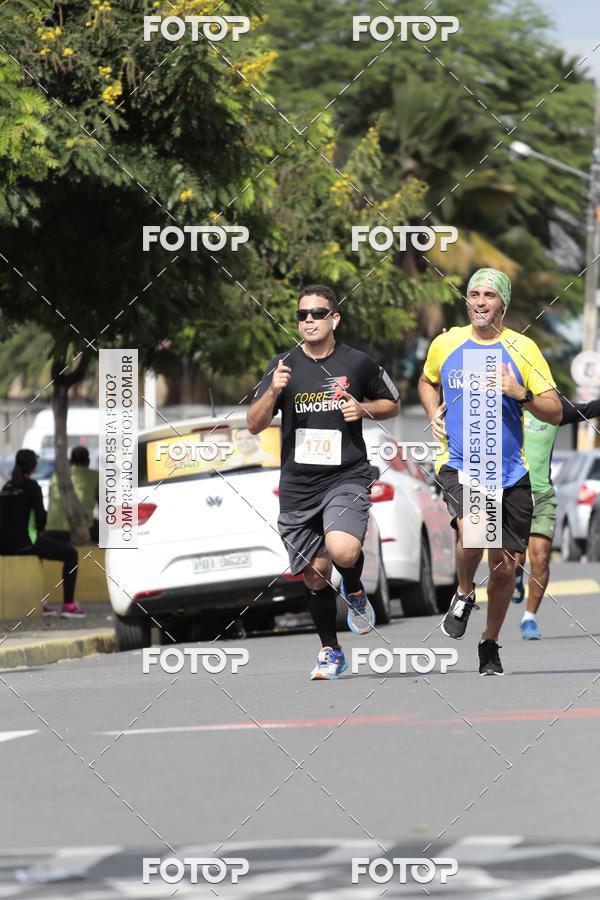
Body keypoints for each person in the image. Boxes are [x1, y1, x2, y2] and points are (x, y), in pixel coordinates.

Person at [247, 284, 399, 680]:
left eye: (318, 313)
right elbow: (253, 424)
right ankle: (330, 651)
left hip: (345, 475)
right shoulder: (283, 365)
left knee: (343, 550)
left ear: (335, 318)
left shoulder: (358, 362)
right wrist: (274, 391)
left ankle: (353, 586)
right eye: (303, 315)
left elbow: (393, 403)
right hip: (298, 484)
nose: (309, 321)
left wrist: (362, 408)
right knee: (314, 572)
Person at [418, 267, 561, 675]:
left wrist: (521, 394)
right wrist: (433, 412)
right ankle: (464, 593)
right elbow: (427, 381)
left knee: (505, 568)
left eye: (489, 296)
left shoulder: (524, 349)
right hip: (461, 463)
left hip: (511, 471)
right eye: (474, 294)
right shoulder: (446, 343)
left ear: (504, 303)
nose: (479, 302)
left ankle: (489, 642)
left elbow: (552, 411)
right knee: (473, 528)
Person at [512, 396, 600, 639]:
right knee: (515, 562)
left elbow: (588, 409)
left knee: (540, 558)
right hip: (511, 496)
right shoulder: (506, 406)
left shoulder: (553, 410)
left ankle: (529, 619)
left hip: (542, 495)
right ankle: (515, 579)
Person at [0, 449, 86, 617]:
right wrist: (40, 533)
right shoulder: (32, 486)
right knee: (71, 554)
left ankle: (42, 602)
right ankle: (68, 606)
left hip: (3, 545)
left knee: (45, 546)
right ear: (33, 466)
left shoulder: (6, 488)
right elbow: (41, 517)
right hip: (25, 543)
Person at [46, 445, 99, 543]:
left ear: (70, 461)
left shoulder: (56, 476)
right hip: (78, 530)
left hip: (51, 530)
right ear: (88, 462)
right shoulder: (95, 476)